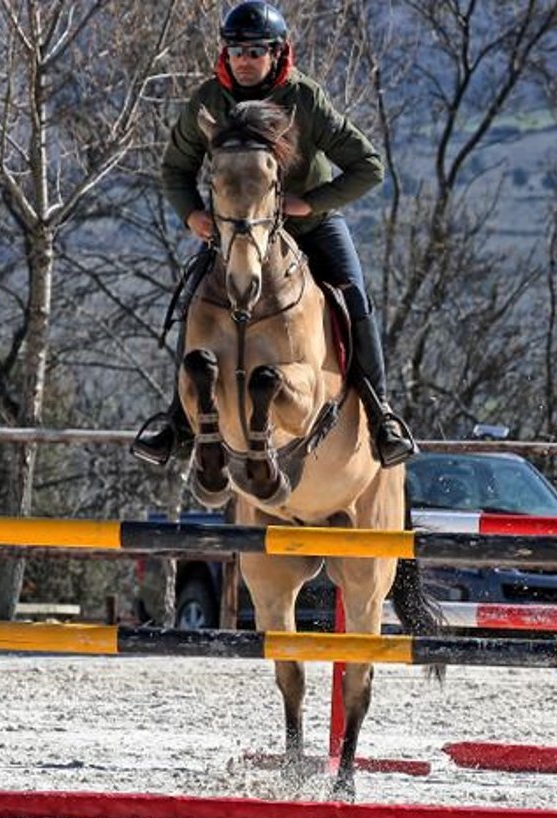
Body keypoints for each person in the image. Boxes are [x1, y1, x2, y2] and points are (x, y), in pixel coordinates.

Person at [131, 0, 416, 469]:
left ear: (277, 52)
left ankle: (380, 414)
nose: (244, 60)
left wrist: (310, 202)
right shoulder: (207, 102)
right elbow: (175, 170)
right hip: (237, 232)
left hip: (309, 223)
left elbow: (369, 167)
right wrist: (193, 216)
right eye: (236, 50)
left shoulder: (305, 98)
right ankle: (177, 424)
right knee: (192, 302)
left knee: (356, 298)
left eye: (254, 51)